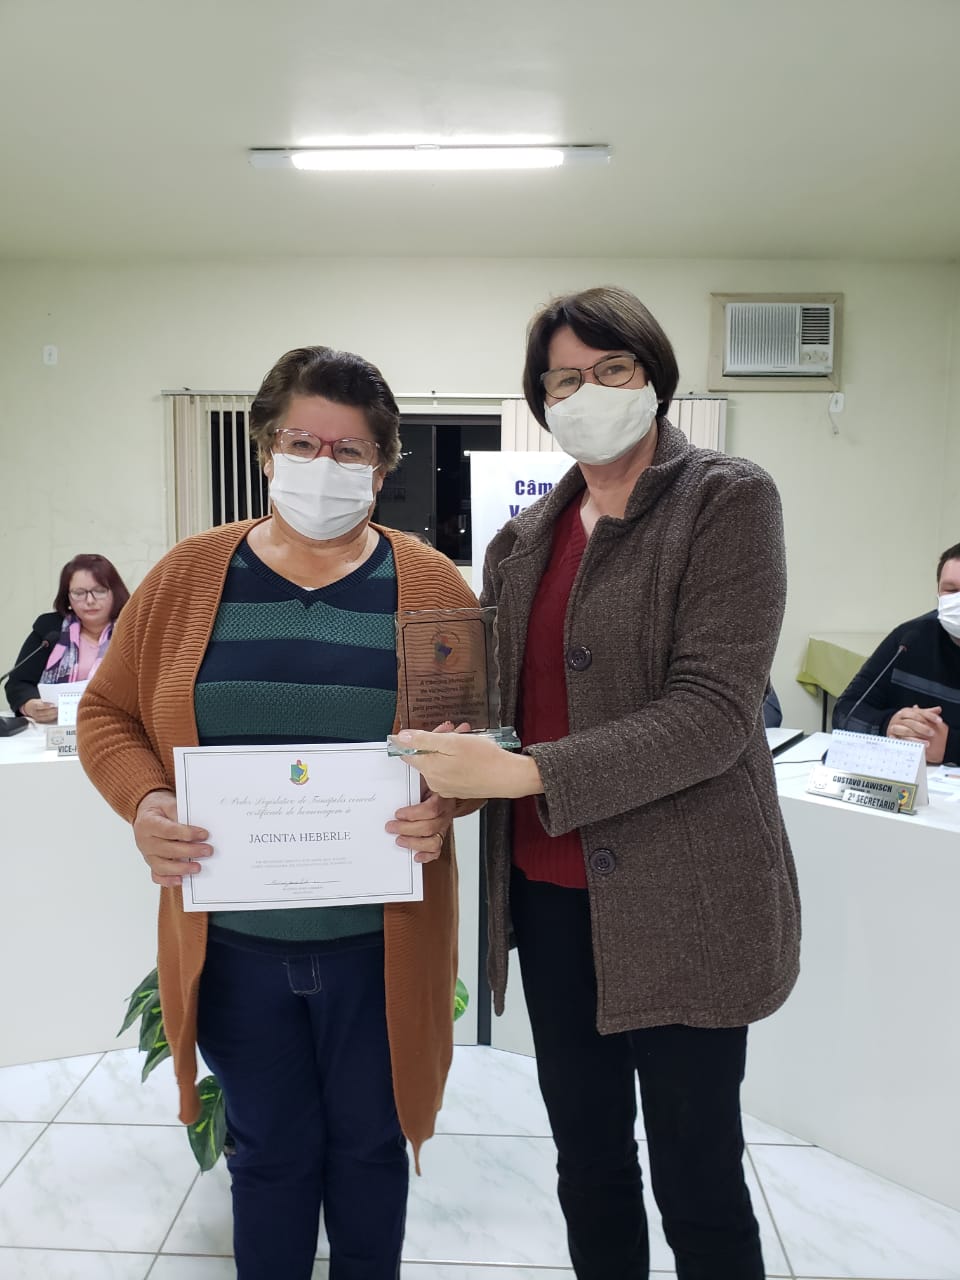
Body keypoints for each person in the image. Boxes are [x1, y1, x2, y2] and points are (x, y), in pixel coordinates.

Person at [393, 286, 801, 1280]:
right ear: (541, 399)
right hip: (549, 896)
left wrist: (526, 769)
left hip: (685, 898)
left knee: (699, 1180)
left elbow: (715, 711)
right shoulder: (521, 543)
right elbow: (506, 713)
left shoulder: (725, 499)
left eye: (611, 368)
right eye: (564, 379)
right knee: (589, 1162)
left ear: (655, 375)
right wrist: (454, 773)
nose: (588, 392)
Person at [77, 346, 479, 1280]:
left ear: (382, 465)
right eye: (303, 443)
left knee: (372, 1154)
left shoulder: (431, 588)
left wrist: (445, 801)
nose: (323, 465)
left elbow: (470, 741)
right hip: (236, 952)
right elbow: (107, 713)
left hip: (380, 949)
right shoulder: (188, 577)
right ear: (266, 449)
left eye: (350, 450)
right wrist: (145, 801)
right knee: (267, 1158)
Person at [832, 541, 960, 763]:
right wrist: (888, 726)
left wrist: (950, 747)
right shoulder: (909, 638)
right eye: (951, 590)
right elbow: (845, 712)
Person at [5, 553, 129, 722]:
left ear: (115, 592)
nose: (90, 600)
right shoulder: (50, 629)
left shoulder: (133, 631)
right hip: (55, 729)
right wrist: (30, 706)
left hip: (118, 725)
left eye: (99, 591)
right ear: (68, 597)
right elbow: (18, 684)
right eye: (79, 593)